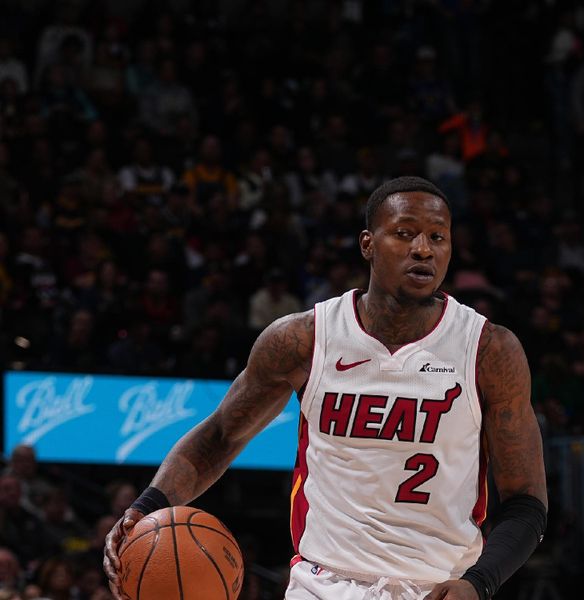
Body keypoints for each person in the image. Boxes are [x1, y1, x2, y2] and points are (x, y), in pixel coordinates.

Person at [104, 176, 548, 600]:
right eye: (404, 233)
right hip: (324, 582)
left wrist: (479, 583)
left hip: (441, 584)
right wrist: (146, 506)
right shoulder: (304, 339)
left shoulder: (489, 350)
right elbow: (221, 436)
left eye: (438, 237)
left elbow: (527, 502)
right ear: (368, 245)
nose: (422, 249)